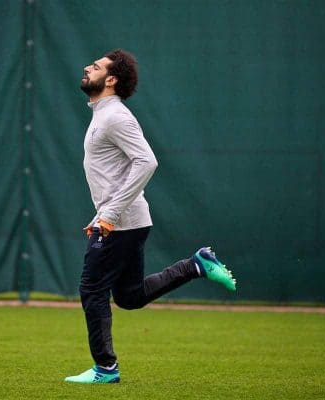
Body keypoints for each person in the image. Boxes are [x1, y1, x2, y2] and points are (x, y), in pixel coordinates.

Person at [64, 49, 236, 384]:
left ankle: (106, 369)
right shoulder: (102, 113)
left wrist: (110, 215)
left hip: (122, 222)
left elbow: (147, 161)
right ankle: (196, 264)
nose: (88, 67)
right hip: (126, 220)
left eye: (96, 67)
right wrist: (102, 214)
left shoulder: (115, 116)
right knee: (128, 297)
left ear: (111, 80)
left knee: (92, 289)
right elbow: (114, 173)